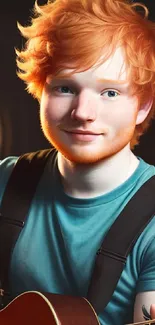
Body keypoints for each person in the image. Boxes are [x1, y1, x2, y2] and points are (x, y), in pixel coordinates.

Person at [1, 0, 155, 323]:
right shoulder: (6, 180)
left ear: (143, 106)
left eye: (110, 92)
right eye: (65, 88)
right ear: (40, 91)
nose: (83, 112)